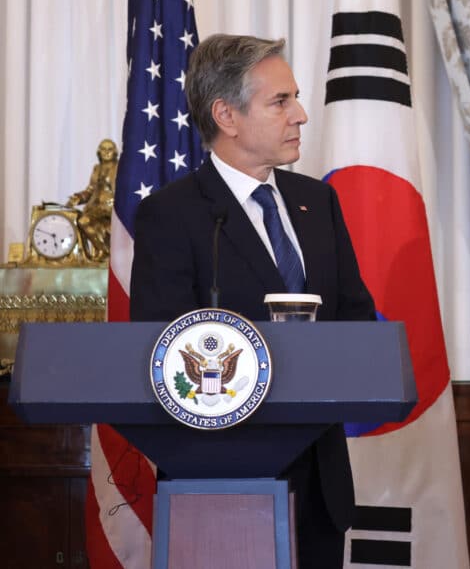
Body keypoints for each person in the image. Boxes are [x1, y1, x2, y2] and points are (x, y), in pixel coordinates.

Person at [130, 33, 377, 568]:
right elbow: (158, 350)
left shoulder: (318, 201)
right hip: (220, 486)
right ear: (227, 115)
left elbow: (354, 318)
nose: (302, 115)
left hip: (319, 486)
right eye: (281, 101)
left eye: (295, 98)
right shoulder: (173, 215)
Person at [67, 138, 118, 262]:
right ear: (99, 152)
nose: (106, 152)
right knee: (83, 221)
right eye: (103, 149)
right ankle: (103, 250)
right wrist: (78, 198)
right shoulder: (97, 168)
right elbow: (90, 190)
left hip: (113, 208)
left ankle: (105, 252)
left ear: (115, 152)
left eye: (110, 149)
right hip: (95, 208)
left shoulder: (120, 167)